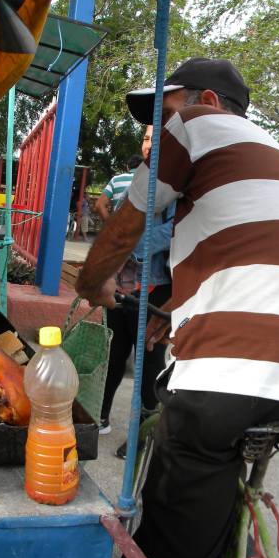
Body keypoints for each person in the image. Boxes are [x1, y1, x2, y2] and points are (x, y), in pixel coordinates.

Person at [76, 57, 279, 558]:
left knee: (169, 535)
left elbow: (125, 226)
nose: (156, 128)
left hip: (237, 378)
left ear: (205, 101)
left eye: (164, 111)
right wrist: (180, 321)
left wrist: (92, 283)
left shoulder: (194, 128)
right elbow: (255, 270)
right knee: (210, 462)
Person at [97, 129, 174, 456]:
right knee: (113, 354)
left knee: (149, 363)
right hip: (122, 285)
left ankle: (145, 433)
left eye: (158, 138)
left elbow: (172, 232)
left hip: (155, 290)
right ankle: (99, 417)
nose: (149, 144)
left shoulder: (175, 186)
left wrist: (126, 240)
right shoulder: (132, 181)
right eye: (145, 137)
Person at [95, 152, 145, 221]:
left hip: (119, 226)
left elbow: (99, 204)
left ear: (127, 167)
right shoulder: (150, 181)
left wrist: (110, 224)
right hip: (143, 228)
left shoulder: (115, 180)